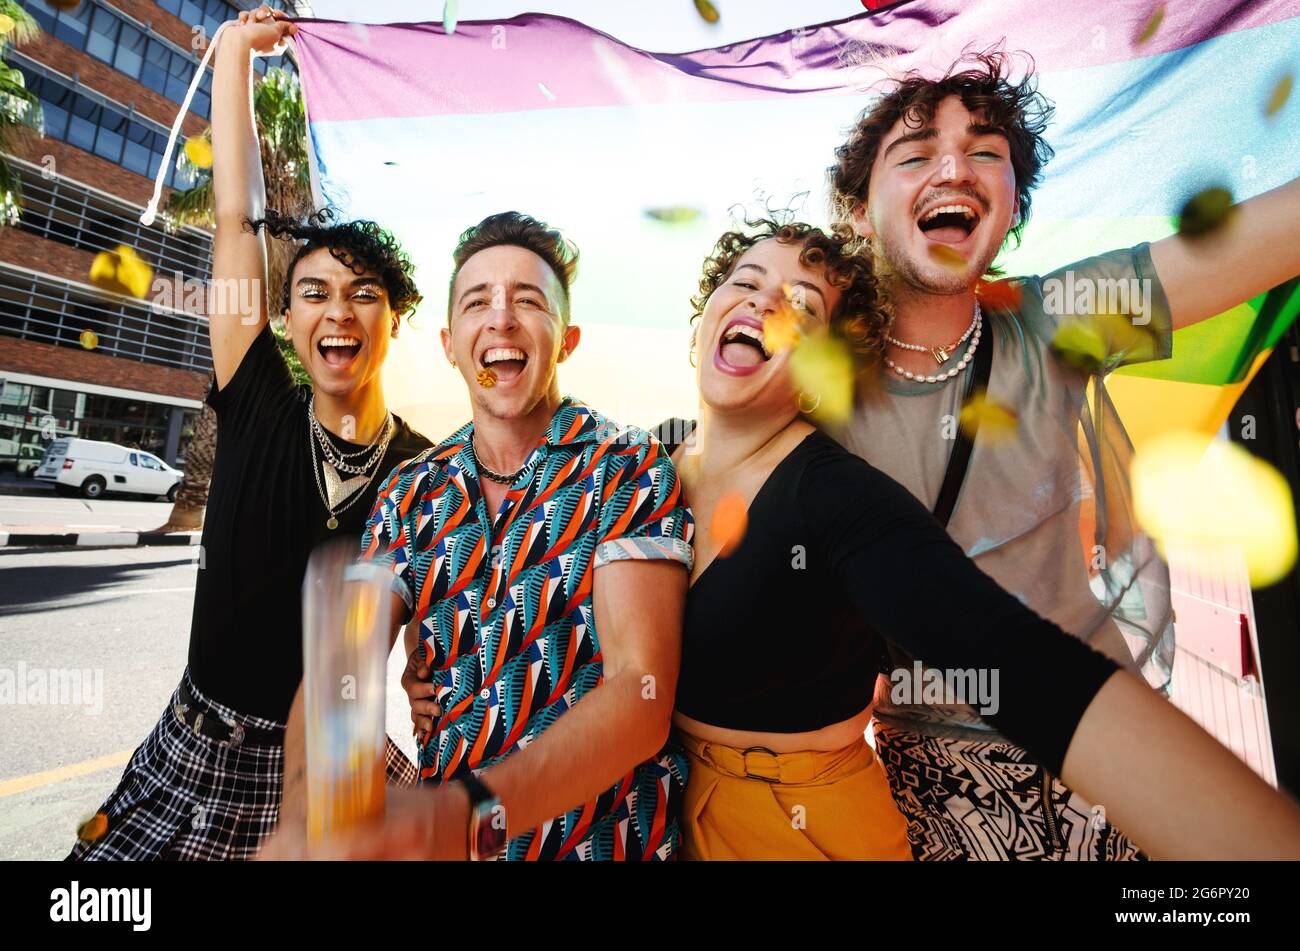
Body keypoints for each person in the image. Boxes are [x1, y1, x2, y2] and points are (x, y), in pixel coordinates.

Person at [661, 219, 1300, 860]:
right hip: (657, 819)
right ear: (705, 316)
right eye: (745, 281)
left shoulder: (834, 497)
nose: (765, 301)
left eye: (804, 303)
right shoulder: (644, 462)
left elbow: (1009, 657)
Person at [826, 48, 1300, 860]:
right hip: (937, 791)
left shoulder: (1057, 318)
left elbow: (1267, 238)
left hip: (1115, 759)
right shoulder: (809, 389)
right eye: (914, 155)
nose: (955, 169)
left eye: (986, 154)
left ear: (1011, 205)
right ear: (862, 212)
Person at [68, 9, 430, 860]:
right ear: (287, 317)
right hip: (194, 755)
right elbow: (238, 220)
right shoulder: (257, 389)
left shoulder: (425, 471)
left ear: (397, 321)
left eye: (364, 293)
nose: (338, 310)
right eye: (314, 292)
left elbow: (424, 636)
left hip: (333, 765)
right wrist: (231, 51)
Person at [266, 211, 694, 861]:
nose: (501, 318)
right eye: (477, 301)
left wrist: (464, 818)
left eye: (528, 300)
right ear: (448, 341)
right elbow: (340, 665)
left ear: (568, 338)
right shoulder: (411, 490)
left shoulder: (624, 468)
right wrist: (306, 805)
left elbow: (641, 696)